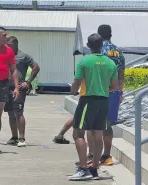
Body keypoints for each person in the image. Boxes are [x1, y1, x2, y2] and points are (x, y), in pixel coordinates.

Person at [68, 33, 118, 181]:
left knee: (78, 133)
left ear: (88, 46)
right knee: (98, 134)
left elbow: (75, 85)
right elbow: (114, 87)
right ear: (101, 45)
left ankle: (84, 168)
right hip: (104, 101)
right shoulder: (111, 63)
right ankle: (94, 169)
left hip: (88, 100)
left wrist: (73, 89)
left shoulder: (84, 61)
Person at [97, 24, 126, 166]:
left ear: (98, 36)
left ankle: (93, 156)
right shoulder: (118, 52)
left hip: (99, 92)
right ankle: (107, 156)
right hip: (114, 93)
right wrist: (120, 92)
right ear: (111, 34)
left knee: (95, 126)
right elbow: (121, 75)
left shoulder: (99, 50)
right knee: (108, 126)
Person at [4, 36, 40, 147]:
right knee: (10, 113)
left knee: (18, 112)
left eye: (9, 45)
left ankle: (21, 138)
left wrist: (28, 82)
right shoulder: (5, 54)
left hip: (19, 88)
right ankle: (14, 137)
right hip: (6, 87)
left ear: (15, 44)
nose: (7, 46)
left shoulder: (23, 56)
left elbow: (36, 67)